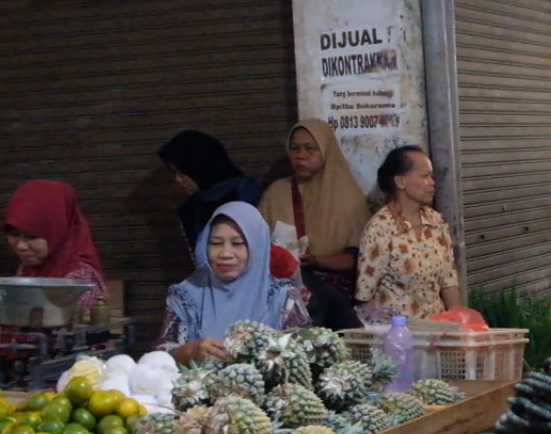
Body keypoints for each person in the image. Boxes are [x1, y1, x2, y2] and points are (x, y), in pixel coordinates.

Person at [158, 202, 310, 365]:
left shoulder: (283, 298)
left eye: (237, 244)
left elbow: (307, 355)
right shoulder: (186, 296)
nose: (225, 253)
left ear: (257, 246)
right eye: (216, 243)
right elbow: (159, 358)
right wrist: (189, 353)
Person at [259, 119, 371, 299]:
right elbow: (256, 245)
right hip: (281, 291)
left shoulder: (348, 198)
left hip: (333, 296)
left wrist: (317, 261)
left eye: (310, 148)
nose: (300, 155)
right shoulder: (275, 193)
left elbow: (360, 258)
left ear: (327, 150)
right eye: (294, 148)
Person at [355, 146, 462, 318]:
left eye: (432, 176)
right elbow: (365, 296)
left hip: (438, 328)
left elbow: (449, 282)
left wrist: (460, 322)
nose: (432, 183)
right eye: (425, 176)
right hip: (398, 330)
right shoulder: (380, 228)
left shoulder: (436, 221)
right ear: (401, 182)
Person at [4, 180, 109, 314]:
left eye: (32, 237)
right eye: (13, 235)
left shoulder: (79, 281)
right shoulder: (28, 270)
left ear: (57, 232)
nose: (20, 246)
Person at [157, 129, 264, 248]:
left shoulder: (246, 193)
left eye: (182, 172)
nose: (177, 179)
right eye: (173, 173)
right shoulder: (190, 209)